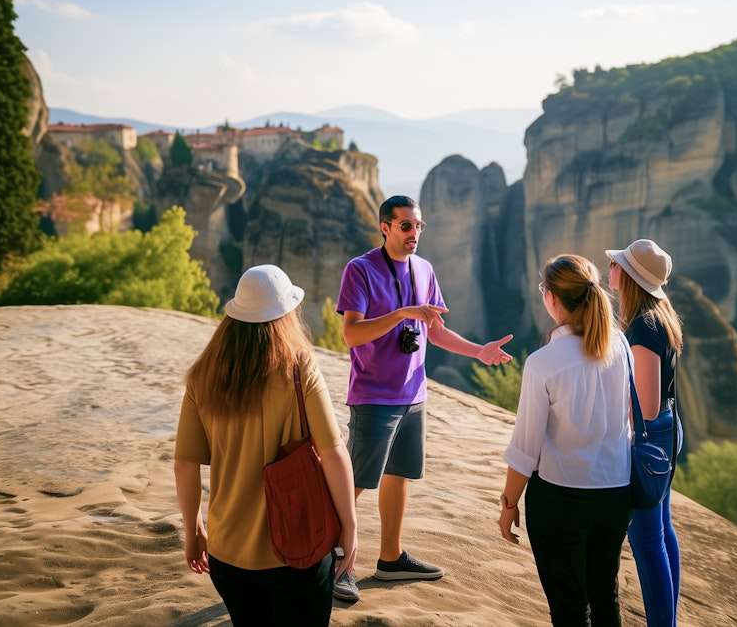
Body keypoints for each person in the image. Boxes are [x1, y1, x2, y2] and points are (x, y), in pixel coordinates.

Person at [333, 194, 514, 602]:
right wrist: (401, 314)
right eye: (405, 226)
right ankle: (335, 563)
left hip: (414, 395)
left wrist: (478, 350)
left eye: (418, 226)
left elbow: (436, 330)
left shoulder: (424, 269)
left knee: (398, 477)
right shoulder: (359, 270)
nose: (414, 233)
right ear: (385, 227)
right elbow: (351, 335)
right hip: (373, 396)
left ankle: (390, 558)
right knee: (354, 485)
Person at [174, 264, 358, 626]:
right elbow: (334, 453)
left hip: (226, 555)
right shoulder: (299, 365)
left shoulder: (203, 374)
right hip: (296, 551)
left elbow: (185, 464)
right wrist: (350, 527)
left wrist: (194, 529)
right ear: (286, 314)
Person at [498, 254, 634, 627]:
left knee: (570, 609)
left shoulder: (543, 361)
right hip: (617, 493)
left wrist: (509, 504)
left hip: (561, 499)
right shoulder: (621, 346)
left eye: (544, 289)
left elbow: (525, 448)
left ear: (553, 299)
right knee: (605, 597)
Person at [606, 239, 684, 627]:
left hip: (651, 438)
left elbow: (647, 407)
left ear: (631, 278)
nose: (610, 269)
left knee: (646, 540)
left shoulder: (642, 327)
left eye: (617, 264)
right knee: (662, 530)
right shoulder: (659, 315)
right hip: (668, 432)